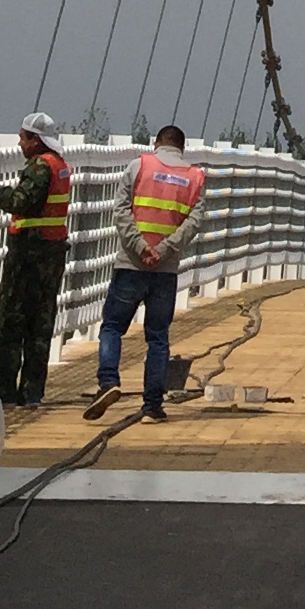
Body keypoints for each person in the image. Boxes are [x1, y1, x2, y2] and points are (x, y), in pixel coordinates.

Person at [84, 123, 207, 423]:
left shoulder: (139, 166)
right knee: (158, 338)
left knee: (113, 327)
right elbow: (193, 223)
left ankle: (109, 382)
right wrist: (163, 250)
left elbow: (121, 211)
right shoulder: (195, 177)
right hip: (165, 270)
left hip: (131, 264)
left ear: (156, 143)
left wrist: (141, 247)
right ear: (182, 148)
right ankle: (153, 405)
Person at [0, 111, 72, 409]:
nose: (20, 144)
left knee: (10, 323)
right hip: (53, 251)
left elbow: (20, 202)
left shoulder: (39, 167)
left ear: (35, 140)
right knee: (40, 324)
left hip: (28, 254)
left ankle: (4, 392)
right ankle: (32, 392)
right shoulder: (60, 166)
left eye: (23, 138)